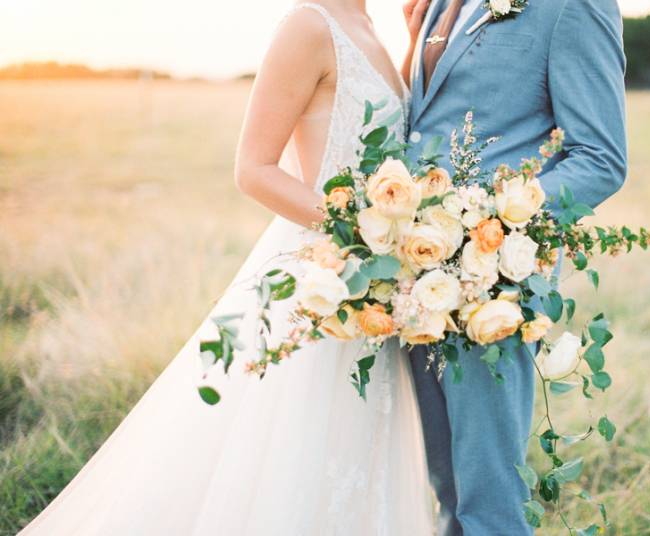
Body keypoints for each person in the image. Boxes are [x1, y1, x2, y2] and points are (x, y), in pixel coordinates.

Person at [19, 1, 435, 534]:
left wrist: (412, 44)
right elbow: (253, 169)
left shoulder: (373, 26)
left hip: (371, 284)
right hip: (322, 275)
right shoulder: (309, 24)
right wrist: (360, 230)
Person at [403, 0, 627, 534]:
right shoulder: (433, 6)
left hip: (493, 286)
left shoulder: (574, 6)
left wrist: (490, 226)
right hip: (413, 277)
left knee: (490, 501)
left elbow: (601, 157)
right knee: (448, 491)